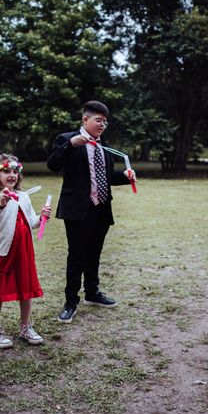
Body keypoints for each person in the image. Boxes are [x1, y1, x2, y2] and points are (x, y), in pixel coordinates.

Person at [47, 101, 135, 324]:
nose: (103, 125)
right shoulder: (66, 139)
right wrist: (71, 145)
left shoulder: (103, 145)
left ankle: (92, 293)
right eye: (99, 120)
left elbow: (107, 177)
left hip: (101, 208)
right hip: (77, 209)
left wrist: (126, 176)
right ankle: (70, 301)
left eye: (105, 121)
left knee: (94, 253)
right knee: (76, 255)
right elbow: (53, 164)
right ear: (85, 120)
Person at [0, 153, 51, 348]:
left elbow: (31, 221)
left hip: (24, 249)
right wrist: (1, 203)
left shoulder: (24, 196)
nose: (11, 175)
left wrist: (41, 218)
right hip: (3, 250)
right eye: (6, 171)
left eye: (15, 171)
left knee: (26, 287)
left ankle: (25, 326)